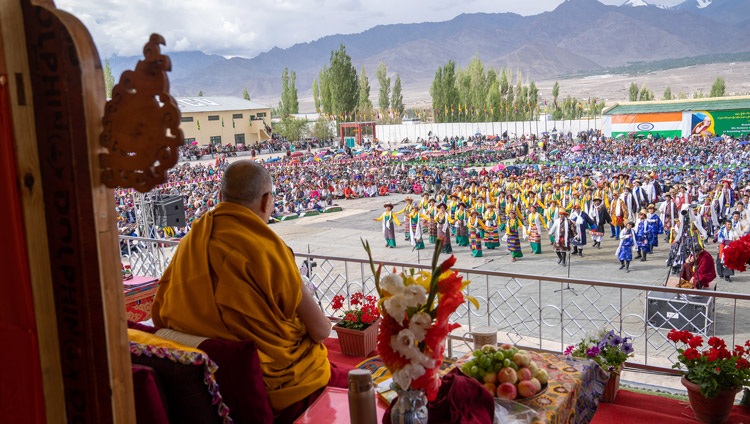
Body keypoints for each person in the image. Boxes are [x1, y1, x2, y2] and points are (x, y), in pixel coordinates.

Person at [151, 160, 343, 420]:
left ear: (220, 197)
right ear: (266, 201)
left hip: (204, 383)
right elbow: (321, 330)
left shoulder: (191, 241)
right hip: (278, 384)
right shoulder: (267, 248)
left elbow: (162, 308)